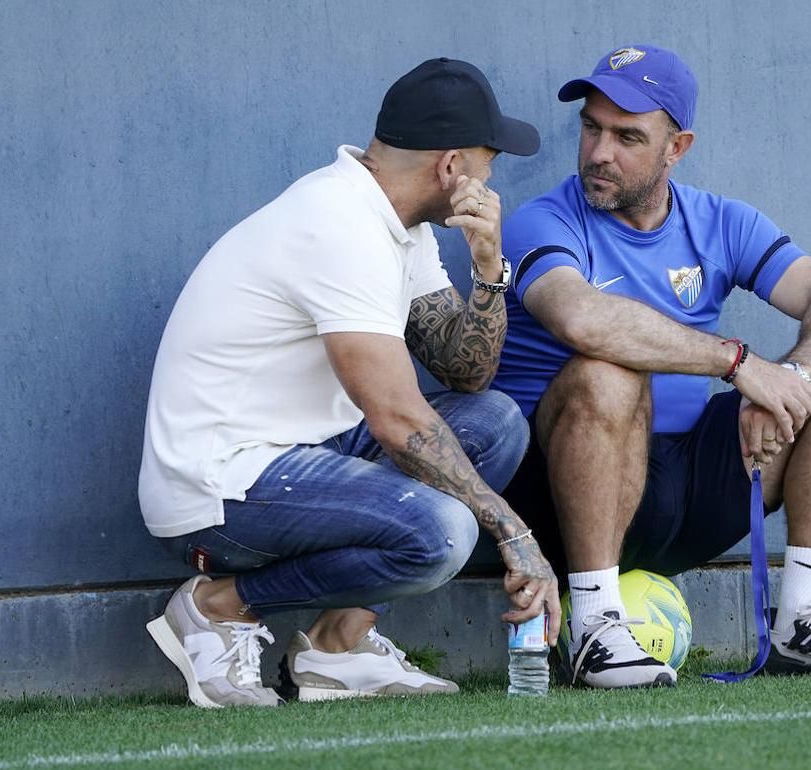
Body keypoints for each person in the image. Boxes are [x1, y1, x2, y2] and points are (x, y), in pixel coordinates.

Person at [138, 57, 560, 708]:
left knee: (494, 424)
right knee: (443, 533)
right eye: (488, 160)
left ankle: (338, 648)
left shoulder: (399, 223)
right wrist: (515, 532)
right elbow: (398, 420)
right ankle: (218, 606)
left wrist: (488, 268)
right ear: (451, 167)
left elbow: (464, 371)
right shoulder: (337, 224)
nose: (491, 176)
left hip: (300, 456)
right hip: (216, 490)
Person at [493, 44, 811, 689]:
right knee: (606, 370)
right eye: (591, 128)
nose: (599, 152)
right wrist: (738, 364)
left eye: (627, 137)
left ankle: (803, 618)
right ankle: (594, 627)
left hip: (693, 486)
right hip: (569, 493)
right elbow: (582, 320)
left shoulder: (720, 222)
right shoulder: (543, 220)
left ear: (676, 148)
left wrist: (791, 379)